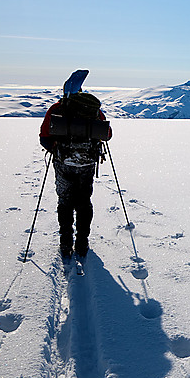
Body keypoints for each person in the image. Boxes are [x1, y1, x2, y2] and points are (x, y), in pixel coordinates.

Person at [39, 88, 112, 260]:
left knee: (65, 201)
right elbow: (107, 134)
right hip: (87, 163)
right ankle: (82, 242)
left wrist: (56, 151)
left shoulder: (56, 109)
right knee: (84, 202)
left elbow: (44, 137)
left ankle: (65, 243)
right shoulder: (92, 110)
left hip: (63, 163)